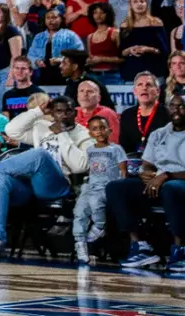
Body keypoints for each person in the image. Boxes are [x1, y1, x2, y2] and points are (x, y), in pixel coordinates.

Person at [109, 94, 185, 271]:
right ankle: (140, 247)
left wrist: (166, 175)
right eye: (173, 106)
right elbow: (147, 164)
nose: (176, 110)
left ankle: (180, 250)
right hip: (159, 182)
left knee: (171, 188)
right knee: (116, 188)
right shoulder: (159, 133)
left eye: (183, 106)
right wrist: (146, 174)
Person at [0, 95, 91, 258]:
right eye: (58, 111)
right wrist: (37, 111)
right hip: (30, 186)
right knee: (0, 179)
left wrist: (61, 134)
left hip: (56, 187)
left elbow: (80, 166)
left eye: (68, 111)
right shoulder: (42, 127)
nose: (64, 115)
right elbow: (11, 130)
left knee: (39, 154)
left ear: (75, 113)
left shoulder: (84, 135)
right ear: (52, 113)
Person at [73, 114, 125, 265]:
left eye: (102, 128)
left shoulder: (116, 149)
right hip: (91, 185)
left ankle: (99, 227)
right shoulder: (89, 150)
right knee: (79, 210)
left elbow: (123, 170)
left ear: (109, 130)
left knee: (97, 202)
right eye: (95, 129)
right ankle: (80, 242)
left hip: (107, 186)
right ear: (90, 133)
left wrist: (119, 186)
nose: (99, 132)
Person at [120, 71, 172, 155]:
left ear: (158, 91)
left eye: (149, 85)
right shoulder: (127, 115)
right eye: (140, 84)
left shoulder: (168, 114)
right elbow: (124, 147)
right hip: (132, 163)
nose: (144, 88)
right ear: (134, 91)